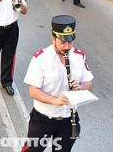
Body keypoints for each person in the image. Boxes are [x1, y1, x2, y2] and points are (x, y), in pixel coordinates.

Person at [21, 15, 94, 152]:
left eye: (70, 42)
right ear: (53, 38)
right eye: (62, 42)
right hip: (43, 119)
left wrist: (80, 87)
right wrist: (55, 101)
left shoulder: (79, 56)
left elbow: (88, 83)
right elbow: (33, 91)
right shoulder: (40, 58)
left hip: (68, 119)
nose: (67, 46)